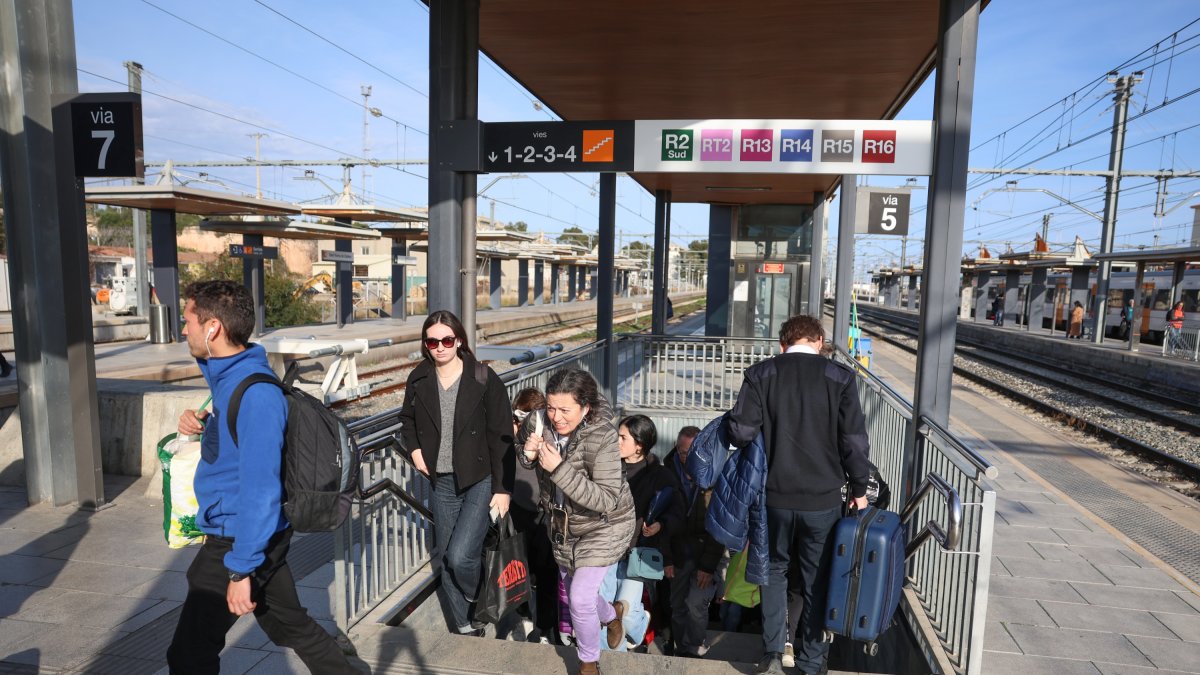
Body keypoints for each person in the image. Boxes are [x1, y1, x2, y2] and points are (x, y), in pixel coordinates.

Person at [167, 280, 358, 674]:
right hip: (252, 536)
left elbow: (260, 490)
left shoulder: (255, 395)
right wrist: (206, 425)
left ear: (213, 327)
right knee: (291, 626)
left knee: (188, 656)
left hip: (237, 540)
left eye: (187, 321)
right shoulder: (232, 379)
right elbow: (237, 444)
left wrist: (241, 568)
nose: (182, 330)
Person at [726, 314, 871, 675]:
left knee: (773, 571)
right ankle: (811, 661)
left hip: (772, 498)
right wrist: (858, 488)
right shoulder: (840, 378)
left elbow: (741, 432)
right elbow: (853, 441)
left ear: (782, 344)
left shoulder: (760, 375)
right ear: (820, 341)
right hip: (822, 500)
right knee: (817, 578)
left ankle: (773, 653)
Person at [399, 310, 513, 636]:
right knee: (446, 558)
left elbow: (501, 434)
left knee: (461, 555)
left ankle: (480, 599)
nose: (440, 347)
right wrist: (415, 450)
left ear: (459, 340)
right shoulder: (419, 379)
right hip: (442, 481)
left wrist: (503, 488)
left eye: (446, 340)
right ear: (425, 344)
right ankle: (465, 626)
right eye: (432, 341)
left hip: (479, 478)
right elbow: (407, 420)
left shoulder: (482, 378)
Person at [517, 368, 636, 675]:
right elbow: (522, 451)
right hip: (563, 528)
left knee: (580, 597)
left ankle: (588, 663)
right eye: (552, 407)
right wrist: (528, 454)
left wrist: (558, 469)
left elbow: (607, 498)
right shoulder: (537, 420)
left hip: (605, 524)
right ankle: (612, 615)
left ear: (585, 408)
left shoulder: (603, 437)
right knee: (577, 593)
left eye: (565, 410)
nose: (556, 416)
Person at [601, 415, 683, 653]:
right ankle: (612, 663)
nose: (616, 441)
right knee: (608, 616)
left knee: (624, 613)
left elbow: (678, 512)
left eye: (622, 437)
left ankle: (637, 624)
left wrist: (661, 524)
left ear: (640, 443)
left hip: (639, 553)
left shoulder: (660, 475)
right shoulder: (609, 468)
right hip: (606, 550)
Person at [509, 387, 561, 644]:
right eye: (516, 416)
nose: (519, 422)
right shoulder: (513, 438)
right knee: (521, 569)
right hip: (518, 508)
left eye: (523, 415)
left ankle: (545, 627)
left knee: (547, 572)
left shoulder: (551, 438)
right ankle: (525, 618)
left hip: (544, 513)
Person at [657, 426, 699, 652]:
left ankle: (691, 646)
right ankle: (675, 644)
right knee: (674, 603)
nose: (687, 458)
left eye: (691, 453)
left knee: (696, 605)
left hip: (702, 550)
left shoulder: (711, 473)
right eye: (683, 452)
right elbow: (661, 519)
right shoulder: (666, 475)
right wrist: (667, 558)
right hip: (675, 550)